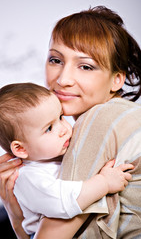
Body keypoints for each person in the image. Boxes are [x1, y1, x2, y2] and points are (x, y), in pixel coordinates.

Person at [0, 5, 141, 239]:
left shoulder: (100, 120)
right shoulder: (122, 114)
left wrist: (15, 215)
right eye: (55, 60)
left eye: (85, 66)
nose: (63, 79)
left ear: (117, 80)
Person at [0, 82, 133, 237]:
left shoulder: (49, 156)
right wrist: (104, 182)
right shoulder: (27, 177)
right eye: (49, 128)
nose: (63, 129)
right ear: (21, 149)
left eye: (61, 117)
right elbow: (63, 202)